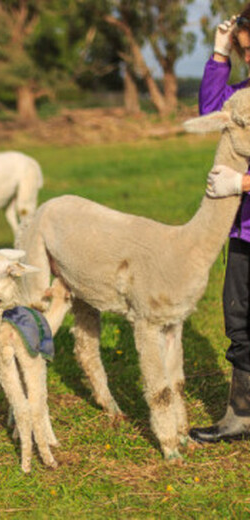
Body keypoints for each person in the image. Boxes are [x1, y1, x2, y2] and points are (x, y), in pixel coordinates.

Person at [189, 6, 250, 443]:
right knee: (240, 323)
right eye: (246, 51)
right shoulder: (246, 91)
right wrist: (219, 56)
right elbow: (213, 109)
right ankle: (241, 416)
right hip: (243, 230)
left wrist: (243, 181)